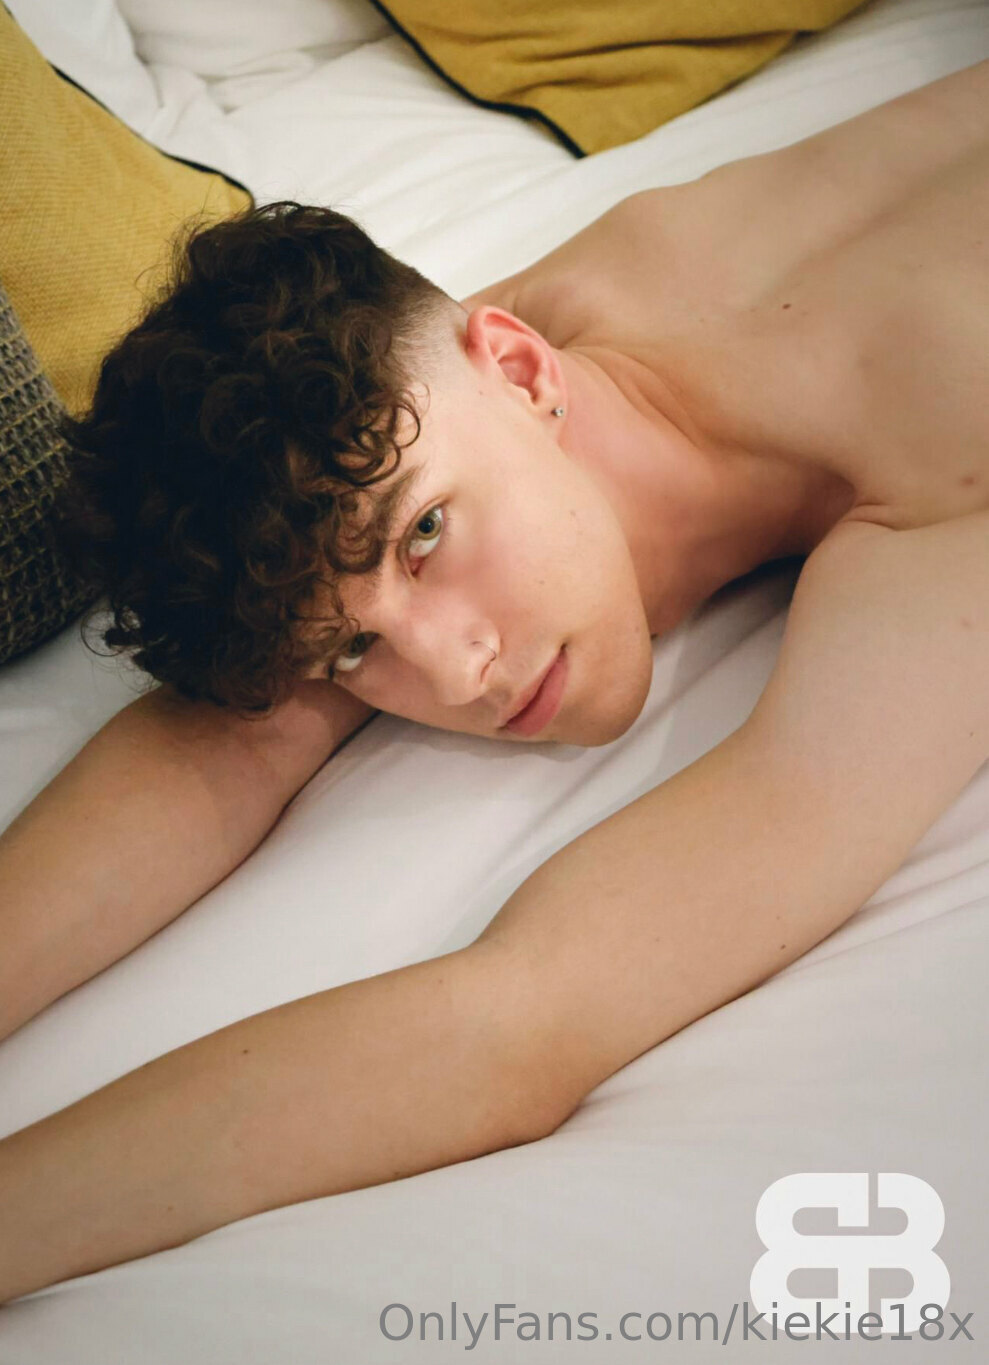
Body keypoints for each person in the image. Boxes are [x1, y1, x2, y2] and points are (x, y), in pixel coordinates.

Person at [0, 57, 986, 1304]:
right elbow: (246, 724)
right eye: (354, 653)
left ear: (522, 373)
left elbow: (526, 1019)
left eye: (425, 536)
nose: (453, 671)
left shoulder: (941, 476)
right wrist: (366, 593)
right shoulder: (471, 371)